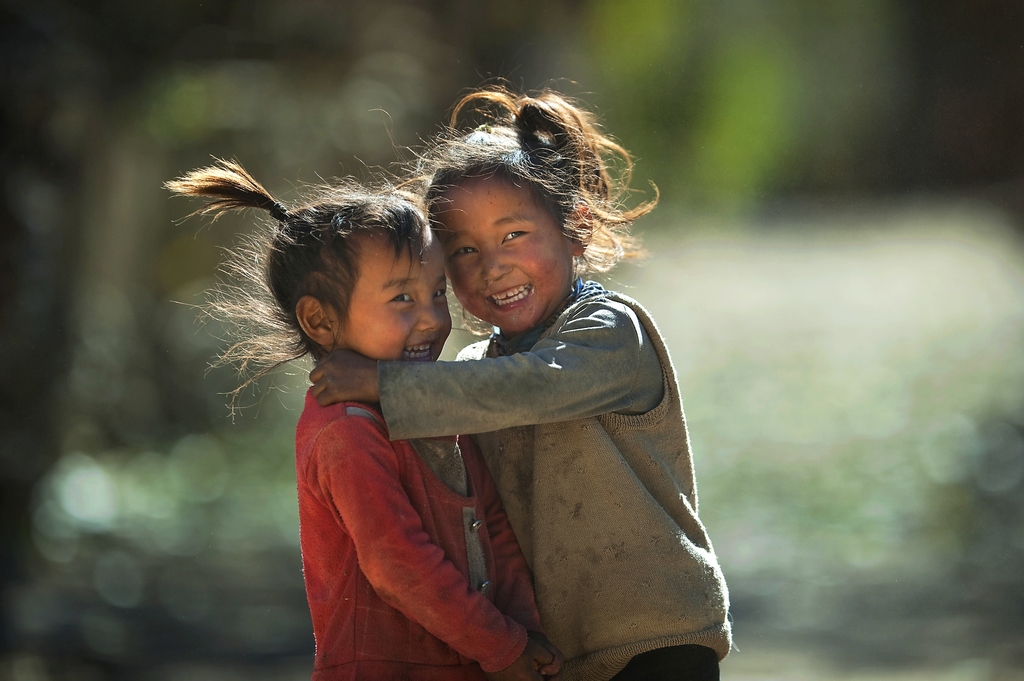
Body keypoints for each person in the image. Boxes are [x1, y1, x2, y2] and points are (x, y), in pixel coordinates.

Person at [309, 88, 732, 680]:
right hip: (558, 655)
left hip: (657, 639)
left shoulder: (610, 332)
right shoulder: (479, 367)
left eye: (513, 236)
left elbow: (527, 387)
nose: (492, 265)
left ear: (575, 228)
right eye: (462, 249)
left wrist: (386, 384)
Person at [165, 159, 563, 681]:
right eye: (402, 297)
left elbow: (492, 524)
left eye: (437, 291)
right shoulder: (347, 431)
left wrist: (525, 633)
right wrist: (503, 645)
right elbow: (398, 564)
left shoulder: (432, 405)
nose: (432, 317)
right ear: (320, 321)